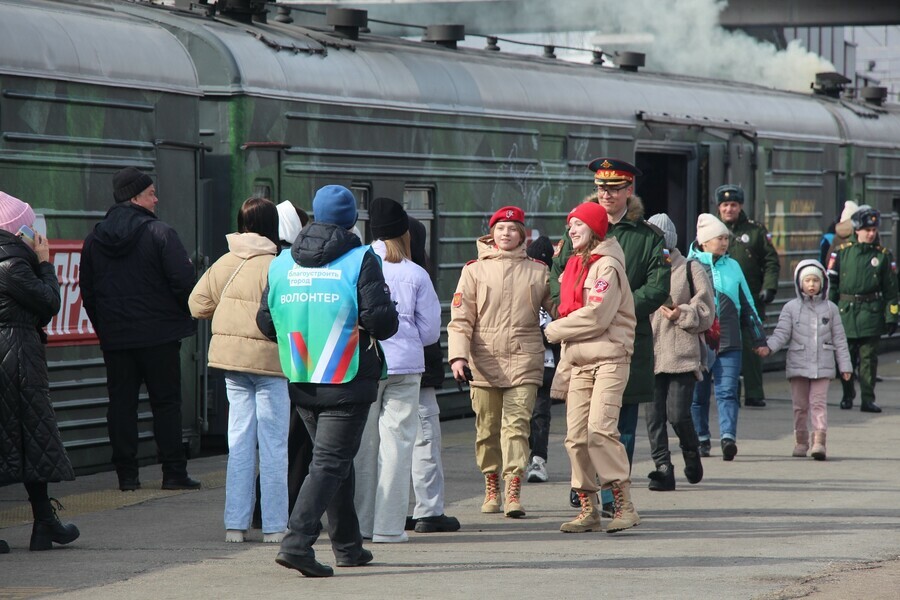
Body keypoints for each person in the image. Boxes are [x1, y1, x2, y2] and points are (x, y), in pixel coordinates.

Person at [258, 184, 398, 578]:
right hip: (346, 378)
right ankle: (297, 543)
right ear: (352, 219)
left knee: (334, 462)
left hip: (301, 376)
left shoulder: (282, 262)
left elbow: (266, 321)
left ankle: (348, 547)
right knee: (329, 464)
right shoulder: (359, 259)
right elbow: (381, 321)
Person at [550, 158, 670, 514]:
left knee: (620, 423)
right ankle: (586, 487)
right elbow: (556, 280)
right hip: (582, 339)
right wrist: (569, 312)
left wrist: (620, 306)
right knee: (580, 423)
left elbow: (658, 287)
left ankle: (612, 496)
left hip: (625, 340)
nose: (607, 193)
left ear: (628, 191)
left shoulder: (648, 237)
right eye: (602, 187)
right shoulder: (577, 232)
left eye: (615, 188)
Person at [80, 167, 200, 492]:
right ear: (134, 197)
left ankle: (127, 476)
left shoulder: (94, 240)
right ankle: (173, 472)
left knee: (121, 405)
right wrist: (178, 316)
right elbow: (184, 283)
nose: (156, 198)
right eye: (150, 193)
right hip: (160, 337)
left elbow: (87, 291)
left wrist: (107, 327)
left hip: (117, 340)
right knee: (165, 403)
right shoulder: (160, 234)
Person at [189, 197, 289, 543]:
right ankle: (275, 527)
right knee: (274, 445)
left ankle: (235, 526)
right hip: (270, 365)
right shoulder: (279, 265)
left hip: (231, 364)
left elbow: (196, 304)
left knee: (240, 443)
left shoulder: (224, 262)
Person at [448, 206, 552, 519]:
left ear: (522, 233)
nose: (506, 233)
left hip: (524, 358)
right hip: (483, 360)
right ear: (491, 234)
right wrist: (457, 356)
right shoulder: (474, 270)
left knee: (517, 428)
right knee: (487, 429)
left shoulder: (538, 271)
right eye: (500, 228)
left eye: (512, 228)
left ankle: (513, 489)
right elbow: (461, 318)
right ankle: (491, 484)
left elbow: (559, 310)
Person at [544, 201, 639, 533]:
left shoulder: (606, 266)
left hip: (610, 358)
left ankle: (624, 506)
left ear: (596, 229)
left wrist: (554, 330)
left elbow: (598, 316)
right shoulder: (575, 264)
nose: (571, 230)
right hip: (579, 360)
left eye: (578, 225)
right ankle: (589, 509)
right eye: (569, 225)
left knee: (600, 430)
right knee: (575, 438)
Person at [354, 197, 441, 543]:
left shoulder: (356, 265)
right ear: (404, 231)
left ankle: (362, 524)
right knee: (399, 445)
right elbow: (432, 331)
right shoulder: (415, 272)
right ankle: (389, 528)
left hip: (366, 363)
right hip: (406, 367)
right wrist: (406, 339)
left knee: (365, 446)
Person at [0, 191, 80, 552]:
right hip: (16, 360)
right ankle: (45, 524)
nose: (36, 232)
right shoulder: (11, 263)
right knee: (31, 437)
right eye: (30, 226)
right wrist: (45, 263)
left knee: (26, 441)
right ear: (19, 232)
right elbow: (49, 302)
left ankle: (45, 523)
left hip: (14, 356)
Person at [251, 200, 313, 530]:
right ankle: (283, 509)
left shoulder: (268, 262)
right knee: (294, 443)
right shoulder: (291, 265)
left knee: (273, 442)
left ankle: (263, 509)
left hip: (270, 362)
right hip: (294, 363)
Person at [644, 214, 715, 491]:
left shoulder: (690, 268)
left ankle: (690, 451)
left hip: (681, 354)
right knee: (653, 419)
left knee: (677, 415)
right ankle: (663, 469)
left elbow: (707, 311)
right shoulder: (642, 269)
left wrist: (681, 313)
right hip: (649, 355)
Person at [689, 214, 767, 461]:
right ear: (704, 241)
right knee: (698, 396)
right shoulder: (689, 265)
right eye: (719, 238)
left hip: (730, 341)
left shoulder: (733, 266)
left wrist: (758, 338)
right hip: (699, 343)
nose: (724, 243)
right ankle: (701, 437)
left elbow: (747, 302)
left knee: (727, 392)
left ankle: (727, 438)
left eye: (726, 238)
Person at [758, 261, 852, 460]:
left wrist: (845, 365)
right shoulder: (791, 308)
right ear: (799, 283)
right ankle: (801, 442)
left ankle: (819, 443)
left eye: (815, 280)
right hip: (798, 364)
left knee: (818, 403)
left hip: (823, 364)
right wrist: (769, 347)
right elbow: (782, 333)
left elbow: (840, 339)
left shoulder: (831, 308)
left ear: (823, 283)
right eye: (807, 280)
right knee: (800, 406)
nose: (811, 284)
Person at [404, 215, 460, 534]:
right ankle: (428, 511)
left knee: (390, 444)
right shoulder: (418, 274)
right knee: (425, 441)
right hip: (418, 372)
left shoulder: (370, 267)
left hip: (379, 370)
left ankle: (390, 511)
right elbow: (429, 330)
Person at [826, 207, 899, 413]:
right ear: (856, 230)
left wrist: (892, 315)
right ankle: (847, 394)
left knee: (868, 361)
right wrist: (828, 313)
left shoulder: (883, 256)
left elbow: (891, 290)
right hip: (846, 313)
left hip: (871, 313)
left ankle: (868, 399)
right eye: (866, 229)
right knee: (845, 358)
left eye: (873, 229)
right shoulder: (842, 253)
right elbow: (833, 286)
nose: (871, 233)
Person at [716, 184, 781, 408]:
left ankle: (754, 392)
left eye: (733, 205)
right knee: (726, 345)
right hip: (723, 301)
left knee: (754, 345)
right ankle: (730, 391)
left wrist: (769, 288)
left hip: (751, 298)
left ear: (740, 206)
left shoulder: (755, 231)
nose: (729, 209)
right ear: (719, 207)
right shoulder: (712, 231)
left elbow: (771, 261)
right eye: (725, 205)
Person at [524, 235, 559, 484]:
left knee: (539, 412)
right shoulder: (524, 286)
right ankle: (528, 458)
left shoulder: (556, 288)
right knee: (525, 413)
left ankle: (538, 459)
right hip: (524, 360)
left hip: (547, 364)